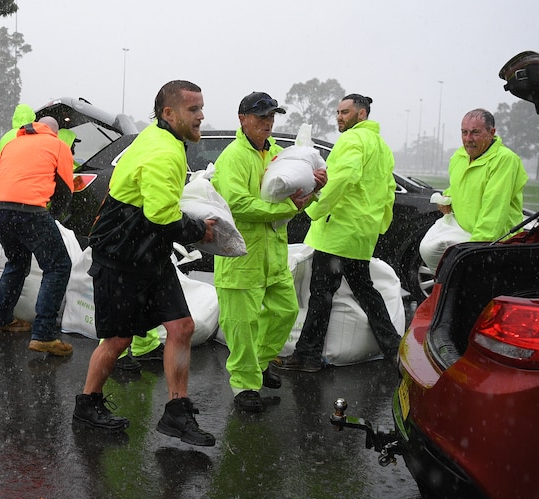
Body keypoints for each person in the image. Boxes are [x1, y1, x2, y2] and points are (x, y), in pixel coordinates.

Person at [73, 80, 217, 447]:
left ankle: (176, 412)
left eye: (201, 108)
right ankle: (87, 405)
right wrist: (201, 230)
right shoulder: (163, 151)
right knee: (118, 339)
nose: (201, 116)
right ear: (168, 113)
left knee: (181, 327)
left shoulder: (164, 140)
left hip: (147, 252)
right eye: (193, 110)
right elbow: (162, 217)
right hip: (121, 255)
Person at [212, 91, 323, 412]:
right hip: (241, 255)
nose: (268, 123)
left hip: (273, 254)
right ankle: (243, 387)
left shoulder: (277, 153)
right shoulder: (233, 157)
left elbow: (293, 195)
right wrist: (289, 207)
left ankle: (259, 364)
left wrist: (315, 189)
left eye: (272, 116)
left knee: (286, 311)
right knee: (242, 324)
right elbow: (238, 204)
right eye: (261, 117)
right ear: (242, 119)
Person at [277, 94, 400, 372]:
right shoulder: (381, 146)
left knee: (320, 293)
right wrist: (379, 223)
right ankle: (393, 348)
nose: (339, 117)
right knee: (364, 289)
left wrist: (313, 206)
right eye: (338, 112)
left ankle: (307, 356)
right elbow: (387, 189)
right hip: (360, 232)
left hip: (338, 230)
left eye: (345, 112)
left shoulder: (352, 140)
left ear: (362, 114)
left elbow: (340, 178)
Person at [0, 115, 76, 356]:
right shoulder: (58, 145)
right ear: (54, 131)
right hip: (29, 209)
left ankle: (0, 318)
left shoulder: (12, 144)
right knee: (58, 266)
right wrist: (54, 217)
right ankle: (44, 334)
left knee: (17, 261)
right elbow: (66, 189)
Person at [419, 108, 528, 272]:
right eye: (464, 132)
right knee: (430, 250)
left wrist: (475, 249)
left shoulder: (504, 159)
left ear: (492, 132)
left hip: (495, 241)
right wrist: (447, 199)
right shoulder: (459, 156)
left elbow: (495, 209)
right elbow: (457, 187)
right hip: (462, 231)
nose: (468, 139)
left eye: (475, 132)